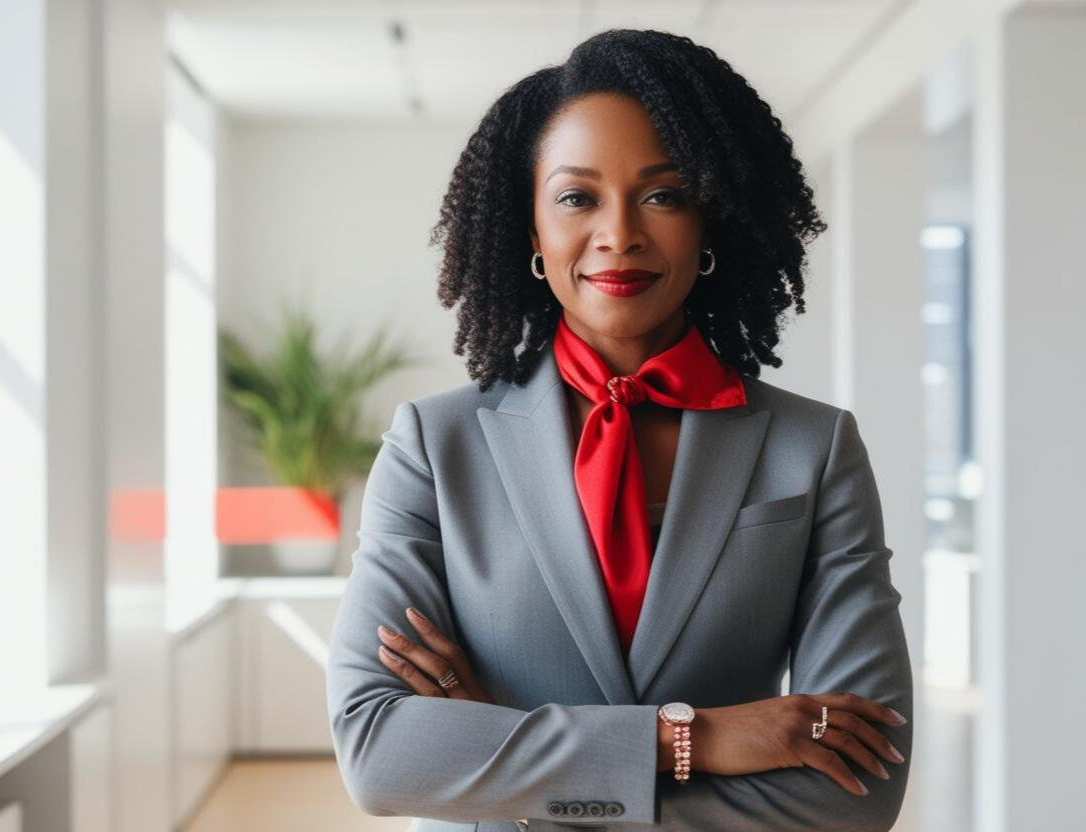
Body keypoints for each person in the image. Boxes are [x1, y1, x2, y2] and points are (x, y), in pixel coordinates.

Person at [326, 28, 913, 832]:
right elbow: (379, 752)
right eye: (576, 197)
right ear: (529, 231)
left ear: (712, 221)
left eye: (663, 194)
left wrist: (504, 764)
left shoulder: (812, 449)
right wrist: (691, 739)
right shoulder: (435, 445)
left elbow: (859, 788)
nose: (620, 234)